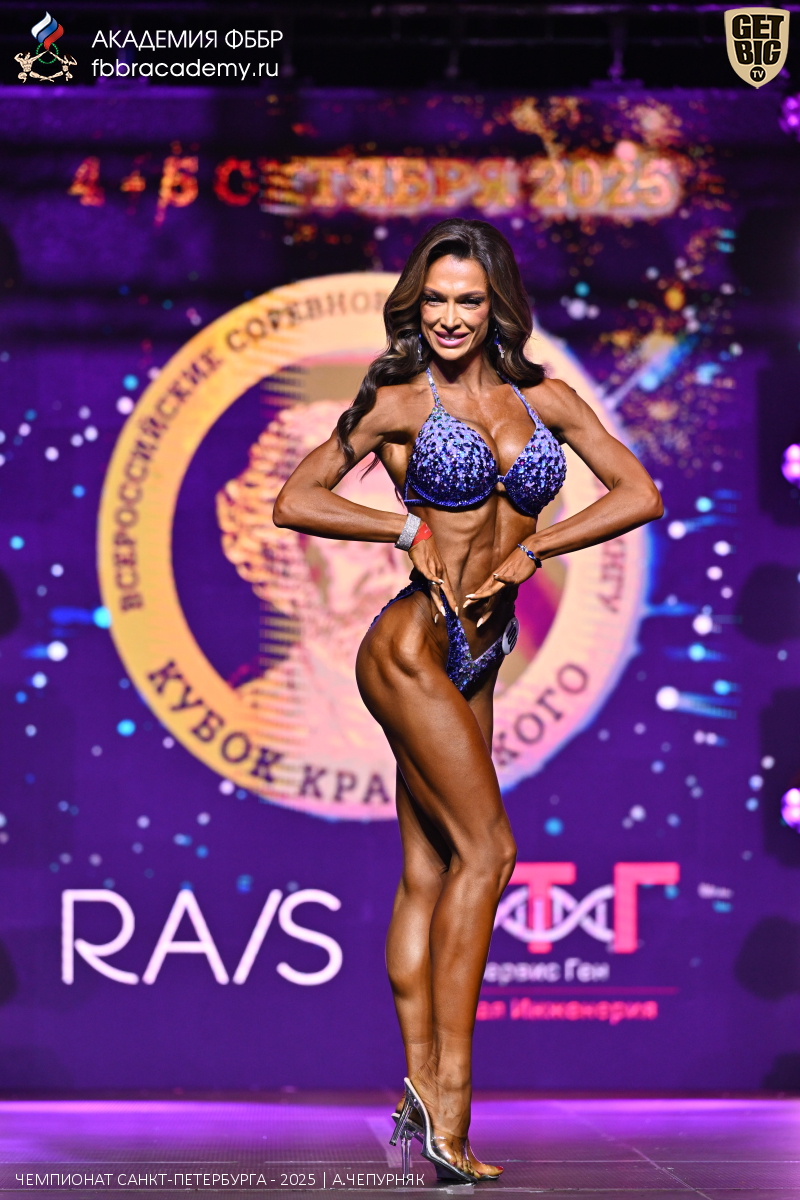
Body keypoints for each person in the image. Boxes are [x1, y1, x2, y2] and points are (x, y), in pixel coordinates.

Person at [273, 218, 663, 1181]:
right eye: (437, 300)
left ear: (497, 308)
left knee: (433, 867)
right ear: (418, 307)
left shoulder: (548, 401)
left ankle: (418, 1096)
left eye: (469, 301)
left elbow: (638, 492)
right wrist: (401, 528)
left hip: (482, 652)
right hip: (410, 645)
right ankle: (450, 1107)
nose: (451, 318)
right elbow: (296, 498)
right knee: (489, 852)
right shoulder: (400, 402)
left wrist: (539, 549)